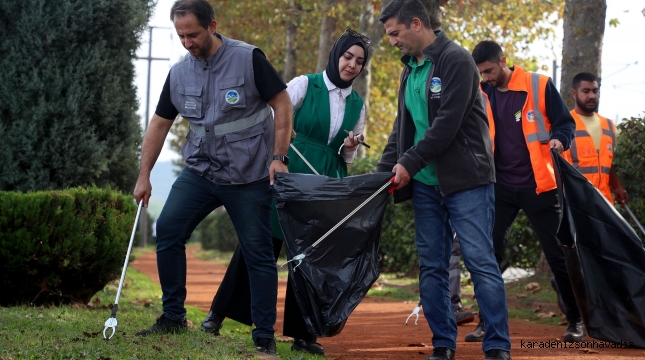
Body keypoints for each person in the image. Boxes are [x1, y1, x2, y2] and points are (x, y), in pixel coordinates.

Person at [132, 0, 292, 356]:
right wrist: (144, 176)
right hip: (201, 172)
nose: (187, 42)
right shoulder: (178, 73)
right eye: (181, 36)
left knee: (258, 253)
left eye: (193, 34)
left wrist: (279, 157)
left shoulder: (248, 58)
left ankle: (263, 334)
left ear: (212, 25)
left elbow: (282, 103)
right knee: (169, 229)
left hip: (249, 176)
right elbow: (159, 124)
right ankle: (173, 316)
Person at [200, 30, 371, 356]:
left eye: (359, 62)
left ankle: (302, 334)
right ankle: (218, 314)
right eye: (348, 57)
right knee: (261, 244)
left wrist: (350, 147)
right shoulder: (306, 84)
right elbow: (273, 114)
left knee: (308, 259)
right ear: (336, 55)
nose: (352, 65)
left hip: (324, 185)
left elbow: (346, 156)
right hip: (289, 175)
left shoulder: (358, 105)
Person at [376, 1, 512, 359]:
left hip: (467, 180)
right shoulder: (410, 69)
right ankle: (443, 343)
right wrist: (381, 173)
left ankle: (497, 344)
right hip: (424, 183)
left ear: (416, 24)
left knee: (480, 260)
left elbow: (446, 125)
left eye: (394, 34)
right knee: (432, 266)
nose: (391, 42)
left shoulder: (456, 60)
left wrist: (407, 162)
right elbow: (401, 129)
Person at [470, 40, 582, 344]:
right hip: (500, 188)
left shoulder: (539, 85)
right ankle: (485, 322)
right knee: (489, 255)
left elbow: (565, 123)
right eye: (481, 73)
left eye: (490, 71)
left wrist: (560, 140)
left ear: (503, 61)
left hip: (540, 186)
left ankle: (575, 320)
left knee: (558, 256)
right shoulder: (481, 93)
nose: (487, 77)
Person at [562, 72, 628, 205]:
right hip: (577, 203)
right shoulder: (565, 124)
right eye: (586, 91)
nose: (591, 96)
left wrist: (618, 186)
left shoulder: (609, 126)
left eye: (595, 91)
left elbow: (605, 164)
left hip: (605, 203)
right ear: (574, 93)